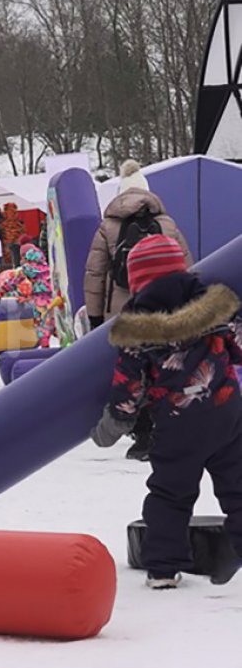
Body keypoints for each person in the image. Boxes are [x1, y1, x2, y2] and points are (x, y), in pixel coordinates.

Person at [89, 235, 242, 589]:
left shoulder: (137, 330)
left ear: (137, 282)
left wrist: (115, 423)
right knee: (238, 488)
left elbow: (129, 385)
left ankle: (163, 568)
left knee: (171, 493)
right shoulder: (216, 309)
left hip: (178, 425)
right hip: (227, 415)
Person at [84, 160, 192, 461]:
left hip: (123, 309)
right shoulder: (168, 224)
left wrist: (95, 317)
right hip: (167, 309)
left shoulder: (108, 227)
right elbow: (186, 264)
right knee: (165, 364)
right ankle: (166, 427)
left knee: (131, 367)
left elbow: (94, 273)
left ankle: (142, 434)